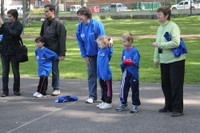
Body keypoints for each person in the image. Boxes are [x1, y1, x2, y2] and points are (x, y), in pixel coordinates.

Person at [152, 7, 186, 117]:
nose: (158, 16)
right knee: (165, 85)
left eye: (160, 14)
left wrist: (160, 45)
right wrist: (156, 58)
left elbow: (176, 42)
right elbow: (157, 44)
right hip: (164, 61)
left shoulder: (173, 26)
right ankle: (169, 105)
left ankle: (178, 109)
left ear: (167, 15)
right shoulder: (159, 28)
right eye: (157, 14)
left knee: (175, 85)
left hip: (176, 60)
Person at [76, 7, 106, 104]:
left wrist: (102, 55)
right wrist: (85, 56)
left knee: (102, 75)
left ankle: (105, 97)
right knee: (91, 75)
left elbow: (103, 40)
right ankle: (92, 96)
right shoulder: (79, 27)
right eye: (78, 15)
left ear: (87, 15)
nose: (79, 17)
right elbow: (80, 43)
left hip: (101, 54)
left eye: (81, 14)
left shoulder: (97, 25)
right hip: (90, 55)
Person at [40, 4, 67, 96]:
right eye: (45, 11)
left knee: (55, 70)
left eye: (47, 11)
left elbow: (62, 39)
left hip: (54, 51)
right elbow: (42, 36)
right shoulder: (44, 23)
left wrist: (62, 53)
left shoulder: (59, 23)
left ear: (52, 11)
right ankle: (43, 89)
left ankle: (56, 88)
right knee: (44, 70)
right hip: (45, 51)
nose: (45, 13)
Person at [0, 9, 23, 97]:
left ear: (15, 17)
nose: (8, 18)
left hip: (14, 52)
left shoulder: (19, 25)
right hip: (4, 51)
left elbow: (14, 34)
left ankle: (16, 90)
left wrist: (3, 25)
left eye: (10, 16)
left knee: (15, 71)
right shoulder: (5, 24)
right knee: (5, 72)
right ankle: (5, 91)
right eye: (8, 16)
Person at [116, 32, 141, 113]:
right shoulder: (124, 50)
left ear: (130, 41)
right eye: (122, 41)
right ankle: (123, 103)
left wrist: (128, 61)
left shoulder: (135, 50)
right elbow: (122, 61)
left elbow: (135, 62)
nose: (123, 43)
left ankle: (135, 104)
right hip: (126, 72)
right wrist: (123, 63)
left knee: (134, 88)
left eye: (124, 41)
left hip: (133, 73)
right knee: (123, 88)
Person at [96, 35, 113, 109]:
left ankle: (108, 102)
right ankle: (104, 100)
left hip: (106, 74)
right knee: (103, 88)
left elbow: (111, 48)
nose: (99, 45)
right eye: (98, 44)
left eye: (100, 44)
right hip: (100, 73)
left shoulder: (107, 50)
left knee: (107, 88)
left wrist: (110, 41)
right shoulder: (100, 50)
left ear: (105, 44)